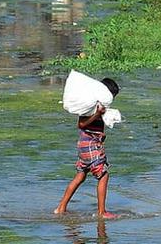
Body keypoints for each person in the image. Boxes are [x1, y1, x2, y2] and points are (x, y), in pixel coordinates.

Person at [55, 78, 120, 219]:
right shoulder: (92, 106)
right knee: (103, 175)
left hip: (84, 144)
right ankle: (102, 212)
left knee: (80, 176)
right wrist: (98, 114)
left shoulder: (91, 103)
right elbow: (82, 124)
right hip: (90, 145)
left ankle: (61, 208)